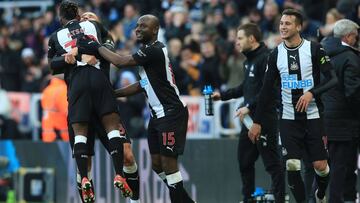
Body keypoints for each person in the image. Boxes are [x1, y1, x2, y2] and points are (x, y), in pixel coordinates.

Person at [76, 14, 195, 203]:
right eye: (137, 26)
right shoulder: (148, 51)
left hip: (171, 114)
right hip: (157, 116)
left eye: (143, 26)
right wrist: (114, 93)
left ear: (155, 30)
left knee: (169, 166)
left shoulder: (154, 50)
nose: (138, 29)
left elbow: (120, 62)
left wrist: (95, 46)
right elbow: (142, 84)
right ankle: (185, 199)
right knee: (157, 164)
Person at [248, 9, 338, 203]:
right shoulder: (275, 55)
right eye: (281, 23)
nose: (283, 27)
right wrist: (257, 122)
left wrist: (312, 93)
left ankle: (320, 194)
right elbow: (265, 91)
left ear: (299, 27)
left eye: (288, 23)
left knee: (321, 166)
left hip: (313, 116)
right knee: (292, 165)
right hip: (288, 119)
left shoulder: (314, 49)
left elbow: (333, 79)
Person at [47, 1, 131, 202]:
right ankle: (119, 173)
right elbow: (110, 42)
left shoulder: (55, 36)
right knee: (113, 130)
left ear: (60, 18)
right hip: (99, 81)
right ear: (78, 13)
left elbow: (52, 65)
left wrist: (72, 57)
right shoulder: (94, 25)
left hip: (77, 86)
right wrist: (87, 51)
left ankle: (84, 179)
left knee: (80, 138)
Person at [70, 11, 141, 203]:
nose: (85, 19)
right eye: (82, 18)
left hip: (104, 103)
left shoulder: (106, 37)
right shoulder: (68, 41)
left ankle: (134, 200)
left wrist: (80, 53)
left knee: (127, 153)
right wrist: (76, 56)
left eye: (90, 17)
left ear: (98, 23)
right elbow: (57, 66)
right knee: (84, 163)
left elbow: (106, 55)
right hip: (81, 104)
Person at [212, 23, 285, 203]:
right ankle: (247, 199)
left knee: (272, 164)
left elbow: (268, 91)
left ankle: (280, 198)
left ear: (251, 39)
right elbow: (246, 88)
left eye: (240, 38)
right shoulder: (248, 61)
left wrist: (250, 106)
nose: (236, 42)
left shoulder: (266, 59)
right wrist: (222, 95)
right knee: (244, 161)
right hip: (249, 120)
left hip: (265, 118)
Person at [320, 19, 360, 203]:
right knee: (342, 168)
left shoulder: (322, 53)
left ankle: (317, 199)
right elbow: (353, 93)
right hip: (345, 123)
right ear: (349, 36)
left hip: (324, 119)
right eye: (356, 36)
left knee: (324, 167)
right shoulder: (350, 57)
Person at [41, 74, 69, 142]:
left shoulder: (47, 90)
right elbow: (68, 111)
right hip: (62, 135)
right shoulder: (63, 89)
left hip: (48, 133)